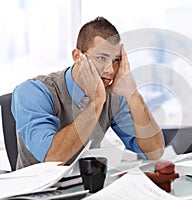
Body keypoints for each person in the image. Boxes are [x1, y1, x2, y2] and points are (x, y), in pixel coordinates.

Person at [11, 16, 164, 169]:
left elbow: (154, 153)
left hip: (85, 187)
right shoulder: (33, 92)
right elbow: (53, 158)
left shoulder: (114, 96)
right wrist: (96, 102)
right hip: (36, 191)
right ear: (78, 57)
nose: (110, 70)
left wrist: (133, 94)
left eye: (116, 60)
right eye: (101, 58)